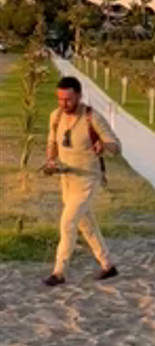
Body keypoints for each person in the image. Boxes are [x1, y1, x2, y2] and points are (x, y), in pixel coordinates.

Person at [43, 76, 121, 287]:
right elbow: (52, 142)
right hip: (67, 178)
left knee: (68, 221)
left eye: (68, 99)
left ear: (79, 96)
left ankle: (59, 271)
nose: (63, 103)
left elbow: (116, 145)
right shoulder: (56, 116)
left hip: (88, 179)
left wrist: (104, 146)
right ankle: (107, 265)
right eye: (60, 99)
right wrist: (50, 160)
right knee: (86, 223)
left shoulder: (91, 117)